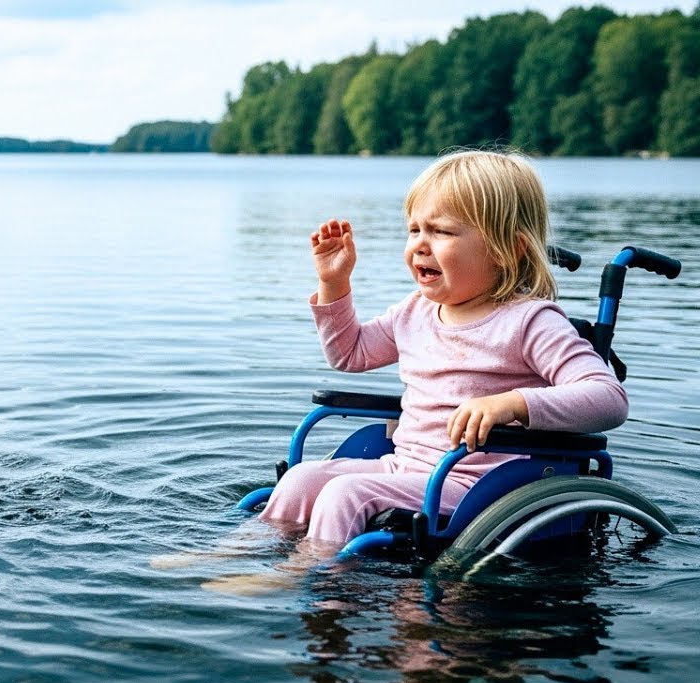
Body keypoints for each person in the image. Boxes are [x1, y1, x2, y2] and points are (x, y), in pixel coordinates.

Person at [258, 149, 629, 547]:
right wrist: (335, 285)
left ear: (508, 250)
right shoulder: (415, 311)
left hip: (478, 484)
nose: (420, 244)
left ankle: (307, 577)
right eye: (414, 229)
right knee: (301, 480)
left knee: (344, 493)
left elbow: (609, 399)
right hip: (404, 467)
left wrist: (513, 403)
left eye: (442, 232)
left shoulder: (530, 322)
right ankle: (236, 554)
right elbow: (349, 354)